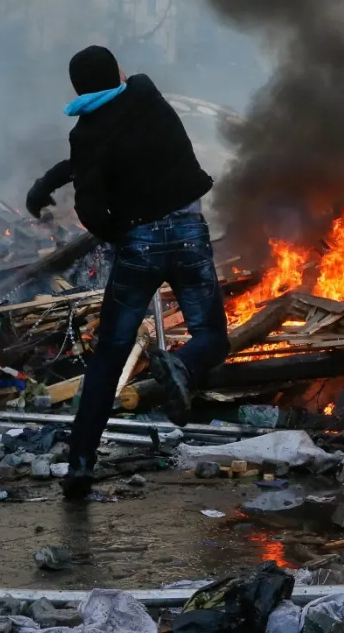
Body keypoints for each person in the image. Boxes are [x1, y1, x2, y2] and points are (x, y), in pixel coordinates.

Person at [27, 45, 229, 500]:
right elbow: (113, 110)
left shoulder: (88, 135)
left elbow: (90, 204)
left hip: (137, 245)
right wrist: (50, 180)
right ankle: (181, 364)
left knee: (108, 359)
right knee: (213, 339)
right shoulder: (146, 94)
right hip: (188, 237)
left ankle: (79, 465)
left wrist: (118, 231)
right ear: (116, 73)